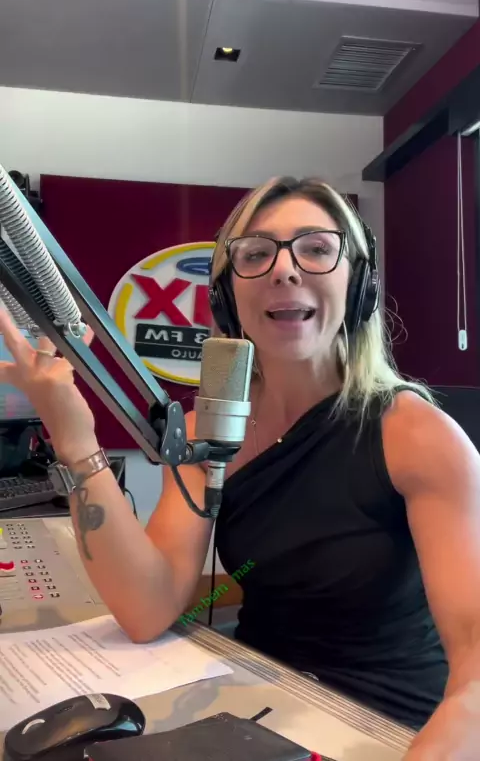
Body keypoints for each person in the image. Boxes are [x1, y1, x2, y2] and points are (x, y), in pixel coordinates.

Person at [1, 176, 480, 760]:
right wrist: (75, 439)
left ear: (358, 284)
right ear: (228, 297)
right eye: (255, 254)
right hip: (260, 707)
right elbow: (147, 608)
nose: (285, 270)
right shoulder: (209, 429)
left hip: (389, 728)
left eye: (316, 248)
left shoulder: (418, 436)